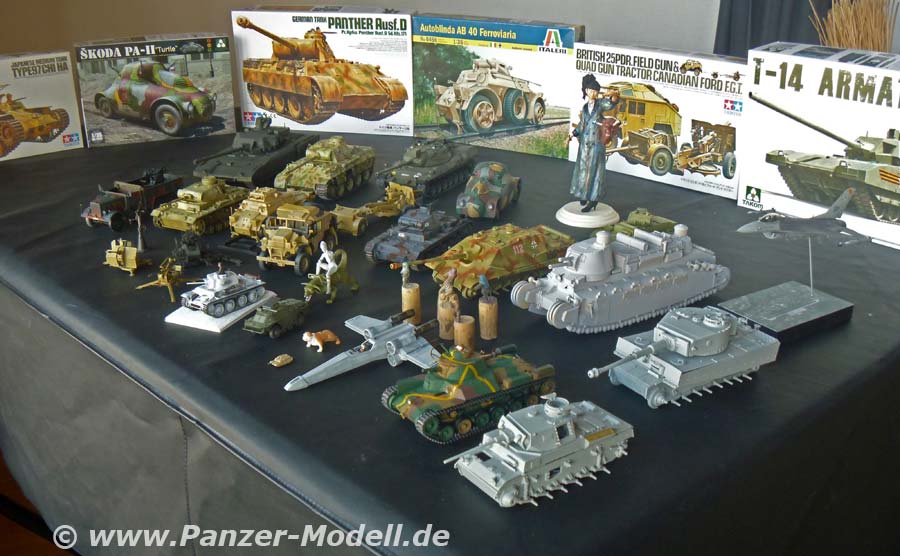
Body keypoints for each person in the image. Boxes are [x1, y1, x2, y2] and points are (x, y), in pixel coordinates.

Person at [568, 74, 619, 213]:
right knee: (583, 170)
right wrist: (572, 134)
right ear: (586, 91)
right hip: (585, 145)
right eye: (591, 90)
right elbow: (582, 125)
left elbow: (612, 103)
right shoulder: (585, 107)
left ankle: (593, 200)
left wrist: (614, 95)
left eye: (596, 91)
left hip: (596, 144)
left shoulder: (600, 104)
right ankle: (584, 194)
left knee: (595, 172)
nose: (594, 93)